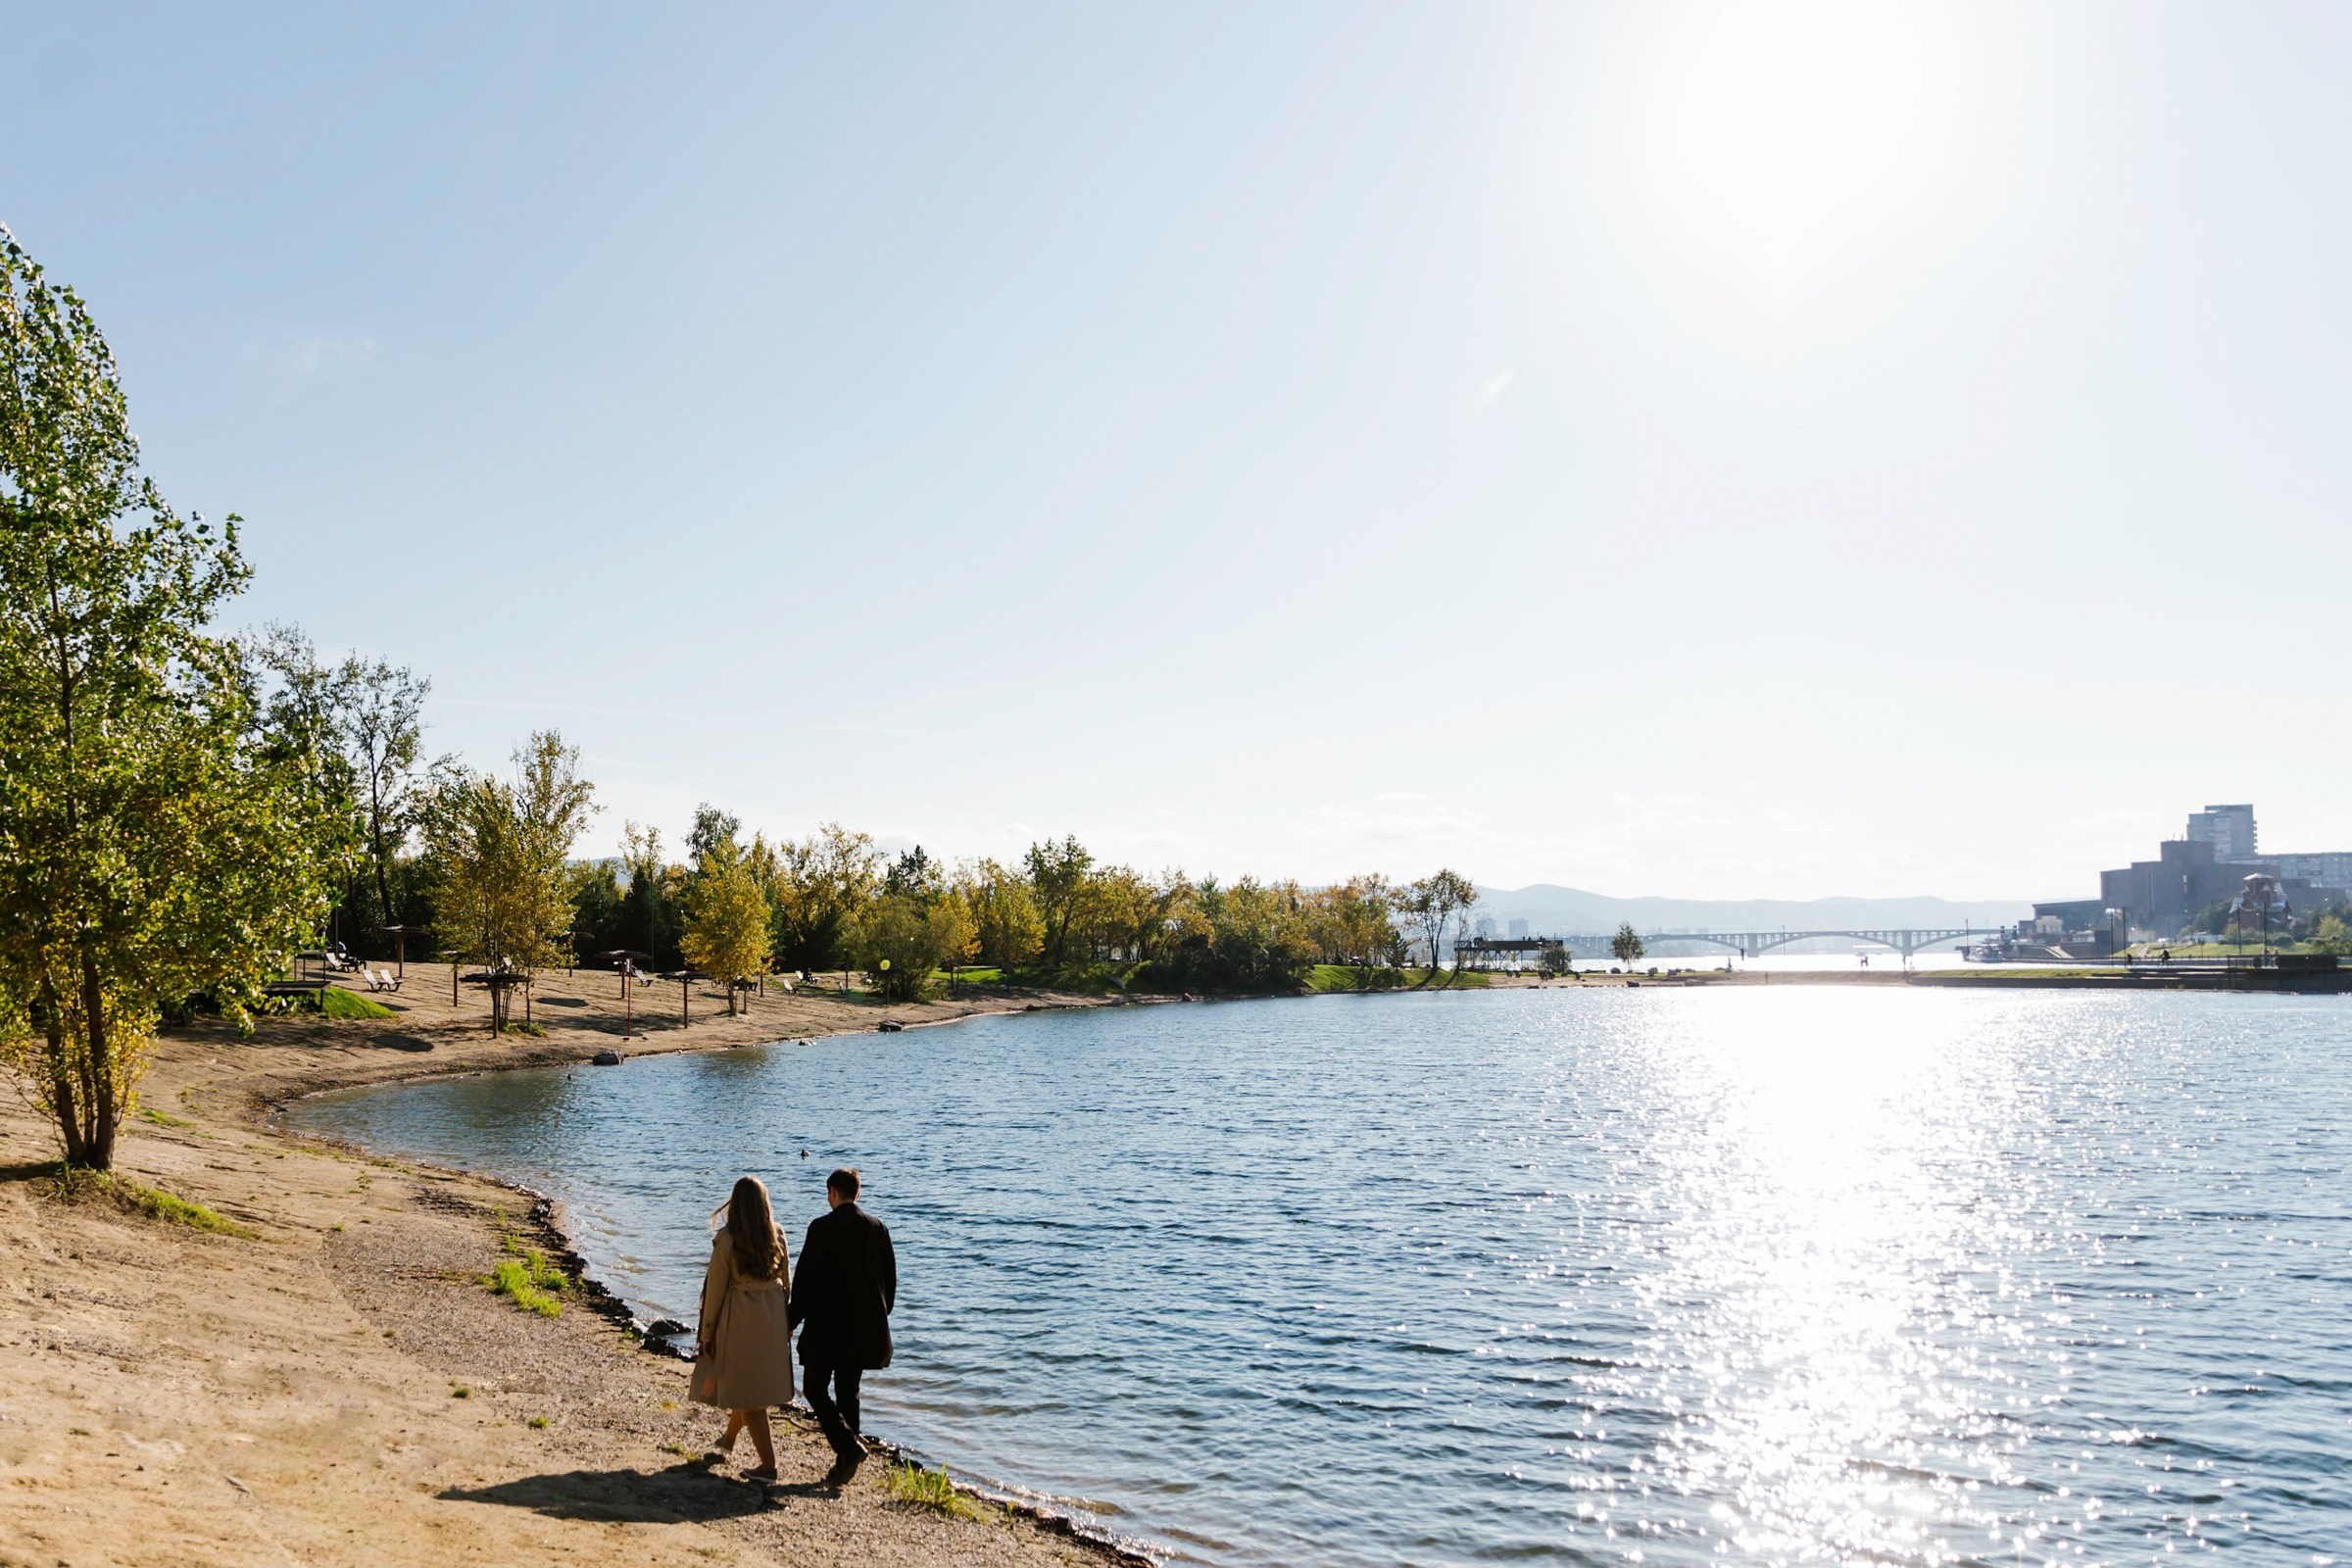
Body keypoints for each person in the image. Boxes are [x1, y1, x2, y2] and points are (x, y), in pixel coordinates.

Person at [789, 1167, 897, 1481]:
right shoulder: (878, 1228)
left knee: (814, 1387)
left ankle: (847, 1449)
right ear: (857, 1193)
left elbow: (805, 1281)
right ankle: (845, 1459)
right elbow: (889, 1281)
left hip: (826, 1327)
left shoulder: (821, 1227)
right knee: (849, 1392)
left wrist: (791, 1319)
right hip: (864, 1328)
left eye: (828, 1193)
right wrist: (881, 1316)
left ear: (833, 1192)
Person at [692, 1175, 795, 1481]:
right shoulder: (777, 1234)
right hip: (773, 1316)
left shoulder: (727, 1239)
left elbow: (715, 1291)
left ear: (735, 1204)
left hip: (741, 1319)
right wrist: (785, 1321)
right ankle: (729, 1439)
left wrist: (707, 1333)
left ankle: (768, 1466)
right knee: (751, 1384)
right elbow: (787, 1282)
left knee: (749, 1395)